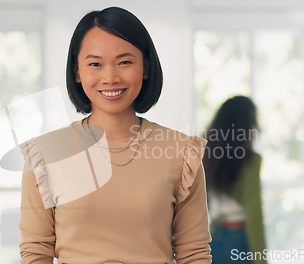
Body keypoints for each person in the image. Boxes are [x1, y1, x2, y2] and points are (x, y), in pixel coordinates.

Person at [19, 6, 212, 264]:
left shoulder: (182, 153)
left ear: (145, 67)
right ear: (77, 71)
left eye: (125, 62)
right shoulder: (46, 154)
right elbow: (36, 253)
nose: (110, 77)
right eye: (95, 64)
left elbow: (194, 253)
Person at [203, 96, 267, 264]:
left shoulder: (208, 155)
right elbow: (254, 217)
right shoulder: (251, 162)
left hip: (213, 236)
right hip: (238, 240)